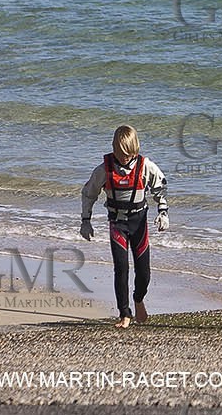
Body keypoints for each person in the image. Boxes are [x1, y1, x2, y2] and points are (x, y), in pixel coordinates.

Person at [81, 125, 169, 328]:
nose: (124, 159)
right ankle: (124, 314)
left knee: (144, 272)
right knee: (121, 268)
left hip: (139, 223)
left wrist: (163, 213)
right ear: (114, 149)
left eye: (129, 155)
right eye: (120, 154)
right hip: (117, 224)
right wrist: (86, 221)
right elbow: (88, 193)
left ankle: (138, 299)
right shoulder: (104, 169)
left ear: (135, 150)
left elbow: (160, 187)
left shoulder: (146, 166)